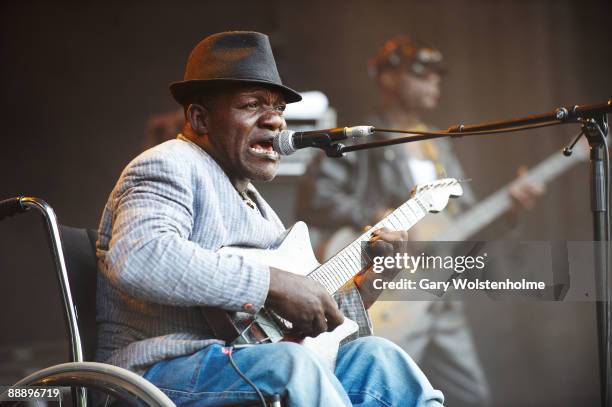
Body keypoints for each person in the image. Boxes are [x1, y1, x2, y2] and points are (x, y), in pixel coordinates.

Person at [96, 31, 444, 406]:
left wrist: (368, 285)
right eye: (252, 105)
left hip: (247, 361)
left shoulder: (254, 202)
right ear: (199, 118)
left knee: (379, 357)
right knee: (292, 364)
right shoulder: (168, 164)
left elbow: (280, 328)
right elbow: (141, 257)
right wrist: (272, 283)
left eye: (278, 108)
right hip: (160, 375)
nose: (276, 122)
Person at [297, 36, 544, 406]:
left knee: (472, 396)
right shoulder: (363, 141)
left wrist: (510, 215)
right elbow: (315, 198)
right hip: (387, 292)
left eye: (436, 75)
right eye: (420, 74)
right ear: (387, 78)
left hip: (438, 291)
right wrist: (374, 216)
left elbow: (464, 223)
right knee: (370, 386)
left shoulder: (438, 144)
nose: (433, 82)